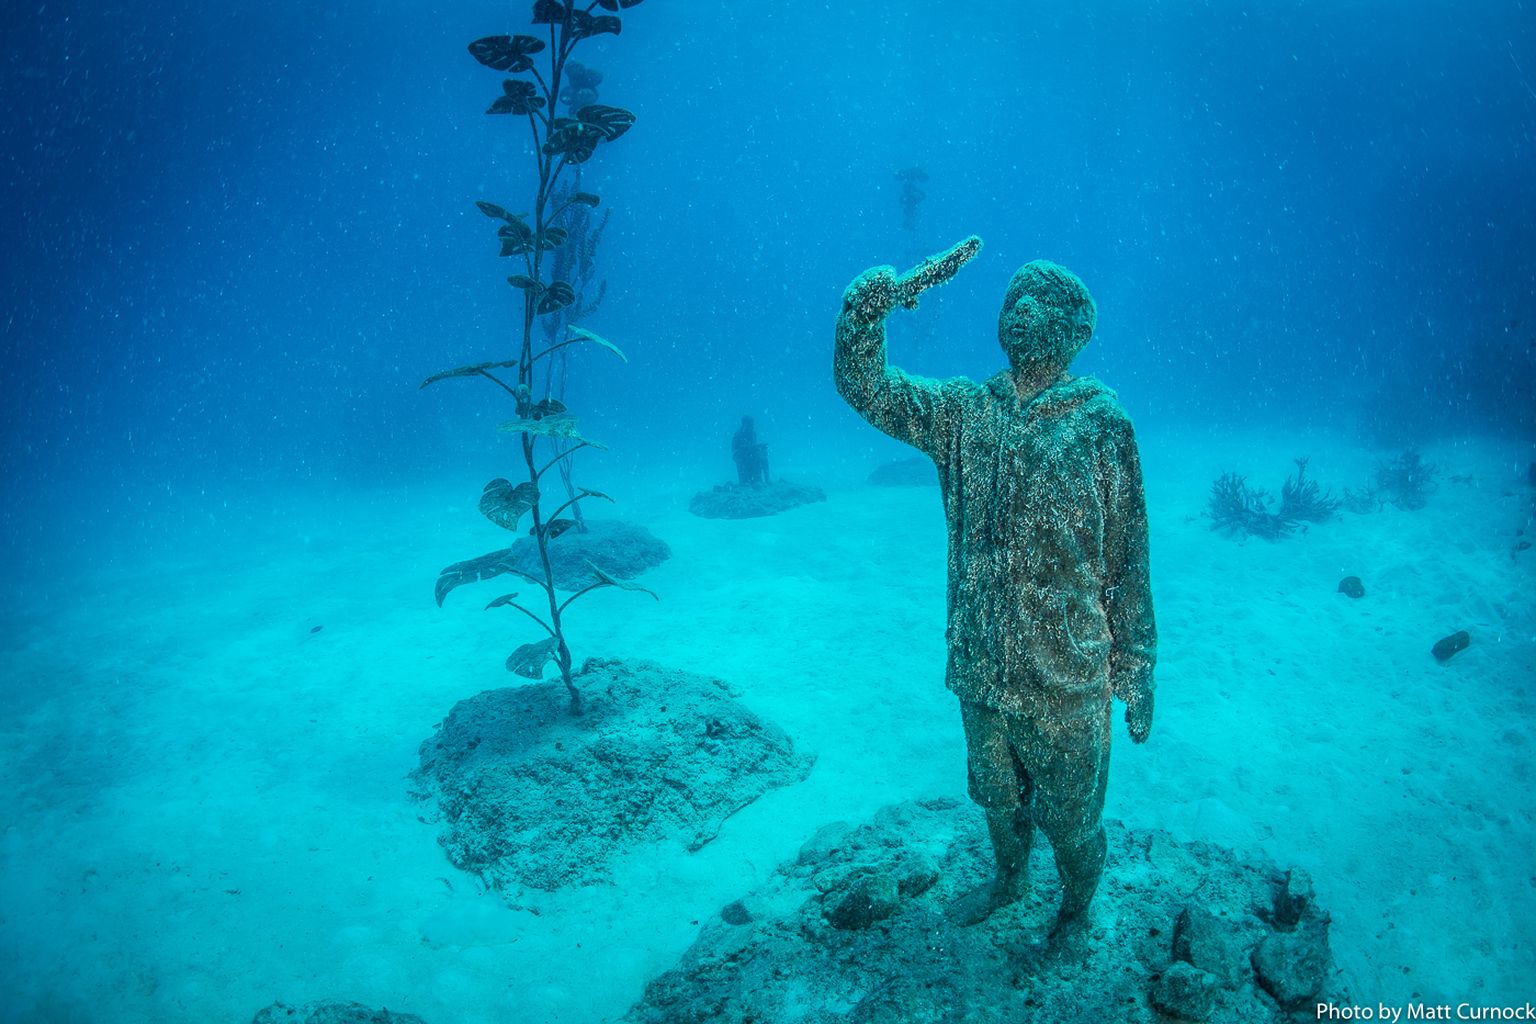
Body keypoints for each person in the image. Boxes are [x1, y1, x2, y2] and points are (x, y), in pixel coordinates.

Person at [833, 237, 1156, 942]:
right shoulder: (964, 413)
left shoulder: (1103, 425)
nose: (1022, 310)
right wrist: (864, 313)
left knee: (1071, 817)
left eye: (1041, 301)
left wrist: (1136, 665)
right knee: (997, 795)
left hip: (1068, 672)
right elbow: (871, 389)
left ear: (1074, 329)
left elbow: (1128, 557)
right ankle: (1010, 879)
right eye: (1013, 299)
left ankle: (1076, 910)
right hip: (981, 661)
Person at [731, 415, 770, 485]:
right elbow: (734, 450)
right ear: (744, 424)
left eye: (752, 424)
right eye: (750, 424)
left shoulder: (753, 434)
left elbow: (753, 446)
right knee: (756, 453)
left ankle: (765, 479)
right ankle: (749, 480)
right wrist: (748, 448)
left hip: (751, 456)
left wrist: (758, 447)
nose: (752, 426)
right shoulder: (737, 435)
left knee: (763, 453)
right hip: (742, 458)